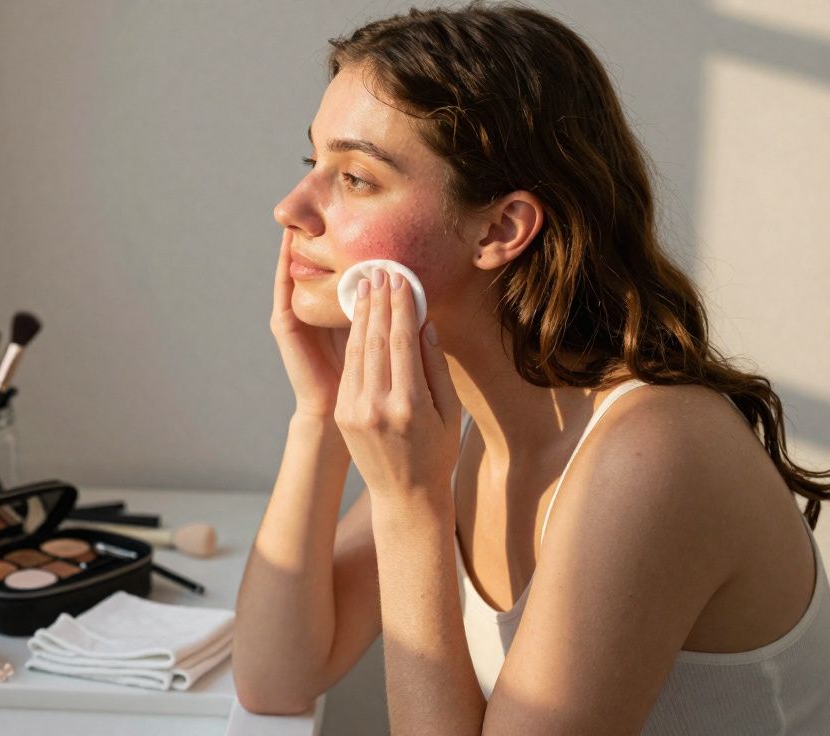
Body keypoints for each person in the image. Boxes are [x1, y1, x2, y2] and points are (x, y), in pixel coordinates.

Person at [233, 3, 830, 733]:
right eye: (312, 163)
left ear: (501, 228)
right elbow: (275, 677)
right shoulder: (474, 420)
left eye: (355, 177)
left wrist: (409, 506)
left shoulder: (652, 454)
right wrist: (319, 415)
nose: (291, 207)